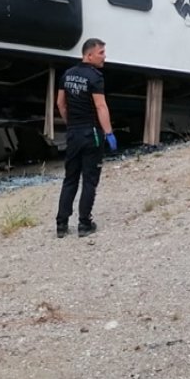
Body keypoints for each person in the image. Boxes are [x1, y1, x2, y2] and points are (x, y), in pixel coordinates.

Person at [55, 38, 116, 238]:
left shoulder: (68, 74)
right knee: (90, 179)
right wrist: (109, 133)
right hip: (92, 134)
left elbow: (60, 104)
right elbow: (100, 106)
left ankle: (61, 224)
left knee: (70, 178)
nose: (104, 57)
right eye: (101, 53)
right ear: (89, 55)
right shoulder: (95, 77)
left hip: (73, 133)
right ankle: (84, 223)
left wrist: (70, 122)